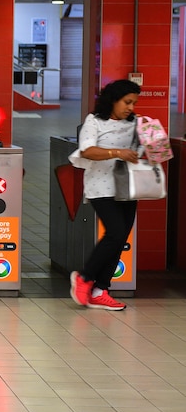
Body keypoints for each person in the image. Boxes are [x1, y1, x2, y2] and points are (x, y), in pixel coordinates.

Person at [70, 79, 141, 311]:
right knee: (115, 233)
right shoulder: (95, 121)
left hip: (128, 186)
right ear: (113, 100)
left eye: (133, 103)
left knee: (120, 239)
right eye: (127, 102)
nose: (130, 107)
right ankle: (84, 277)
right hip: (100, 186)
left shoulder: (136, 124)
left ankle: (100, 290)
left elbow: (149, 150)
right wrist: (117, 152)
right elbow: (87, 150)